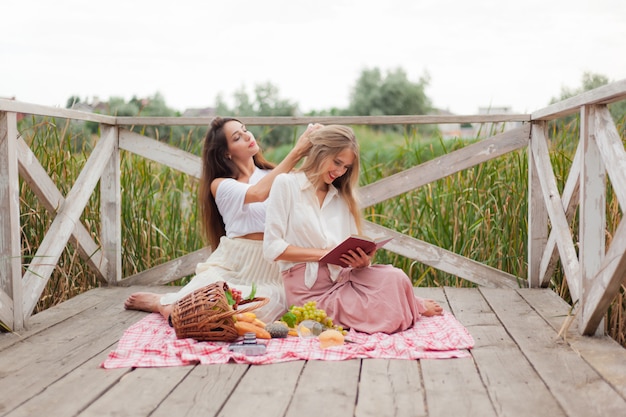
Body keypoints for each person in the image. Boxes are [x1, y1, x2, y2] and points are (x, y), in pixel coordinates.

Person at [124, 117, 318, 323]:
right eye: (237, 137)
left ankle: (180, 305)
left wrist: (317, 147)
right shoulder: (221, 185)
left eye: (245, 130)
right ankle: (164, 303)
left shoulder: (275, 175)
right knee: (212, 293)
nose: (247, 136)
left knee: (266, 306)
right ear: (227, 152)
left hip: (269, 268)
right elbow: (258, 193)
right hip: (234, 263)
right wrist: (297, 151)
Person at [263, 124, 443, 334]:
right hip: (308, 292)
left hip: (343, 279)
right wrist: (325, 255)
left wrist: (361, 262)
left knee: (397, 277)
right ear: (320, 152)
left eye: (346, 167)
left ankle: (407, 303)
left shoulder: (341, 198)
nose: (339, 172)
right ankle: (413, 305)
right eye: (337, 162)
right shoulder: (286, 184)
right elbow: (271, 248)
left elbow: (346, 253)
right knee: (388, 315)